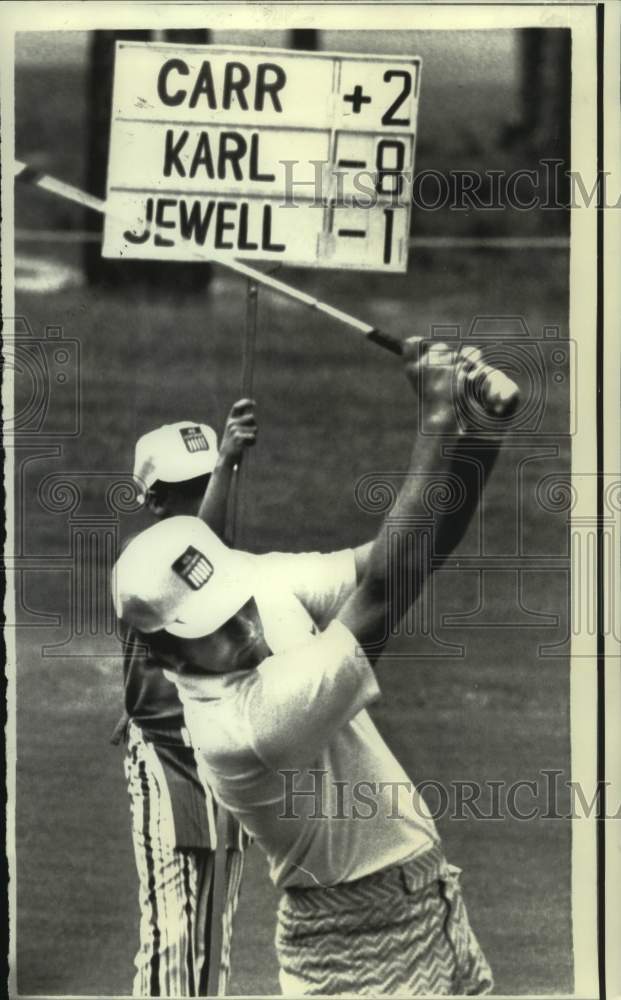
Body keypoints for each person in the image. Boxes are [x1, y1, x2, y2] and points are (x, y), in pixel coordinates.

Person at [112, 341, 507, 996]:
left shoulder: (251, 585)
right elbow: (386, 590)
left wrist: (481, 432)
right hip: (359, 946)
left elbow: (410, 551)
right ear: (167, 654)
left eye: (233, 604)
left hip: (431, 901)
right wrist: (435, 418)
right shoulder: (245, 729)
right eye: (212, 628)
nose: (242, 626)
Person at [112, 400, 257, 997]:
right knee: (173, 935)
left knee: (212, 944)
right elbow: (201, 548)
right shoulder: (142, 566)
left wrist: (223, 467)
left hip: (224, 762)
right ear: (153, 500)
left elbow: (213, 552)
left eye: (207, 485)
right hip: (167, 762)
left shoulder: (226, 563)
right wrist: (225, 462)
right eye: (188, 487)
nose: (201, 496)